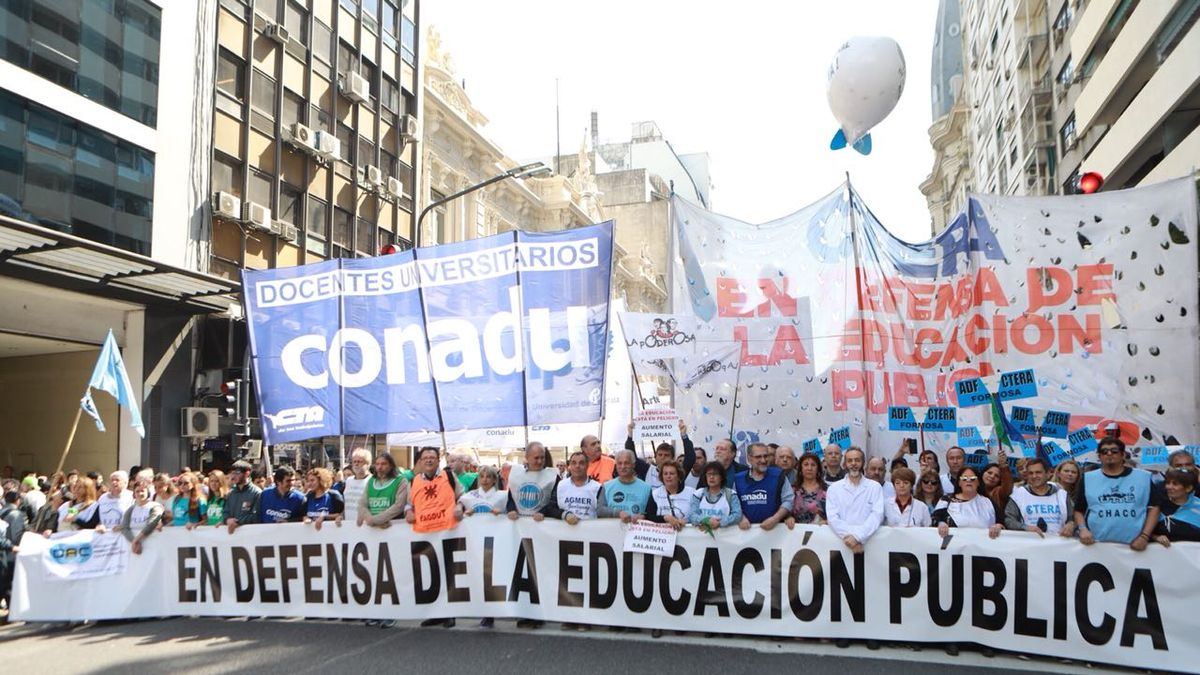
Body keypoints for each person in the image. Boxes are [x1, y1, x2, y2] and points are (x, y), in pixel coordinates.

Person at [1075, 438, 1164, 549]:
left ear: (1122, 455)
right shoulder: (1088, 478)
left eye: (1114, 451)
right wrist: (1083, 529)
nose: (1109, 453)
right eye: (1104, 451)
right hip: (1097, 545)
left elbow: (1155, 508)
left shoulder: (1143, 477)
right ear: (1099, 457)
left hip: (1135, 545)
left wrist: (1145, 536)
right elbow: (1079, 510)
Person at [825, 447, 885, 554]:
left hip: (869, 545)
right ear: (845, 464)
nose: (853, 463)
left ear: (863, 463)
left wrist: (858, 537)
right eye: (850, 460)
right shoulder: (834, 489)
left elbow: (877, 516)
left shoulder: (875, 487)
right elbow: (832, 518)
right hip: (842, 543)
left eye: (857, 460)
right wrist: (851, 538)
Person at [1004, 458, 1074, 537]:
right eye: (1030, 473)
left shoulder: (1062, 495)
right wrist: (1025, 527)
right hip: (1030, 543)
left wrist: (1071, 524)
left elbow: (1072, 518)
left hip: (1058, 543)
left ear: (1048, 474)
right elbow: (1009, 520)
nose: (1034, 476)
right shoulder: (1018, 495)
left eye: (1038, 472)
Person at [623, 419, 697, 488]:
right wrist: (630, 435)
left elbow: (690, 458)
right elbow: (630, 456)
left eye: (666, 455)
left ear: (673, 458)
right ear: (655, 457)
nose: (663, 457)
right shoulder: (647, 470)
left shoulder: (679, 471)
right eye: (660, 455)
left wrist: (684, 435)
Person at [735, 442, 792, 530]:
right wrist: (740, 517)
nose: (763, 460)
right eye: (758, 457)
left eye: (766, 456)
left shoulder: (779, 476)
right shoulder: (738, 479)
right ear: (749, 458)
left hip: (775, 532)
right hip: (745, 535)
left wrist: (775, 519)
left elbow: (788, 500)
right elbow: (732, 503)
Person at [932, 466, 1002, 538]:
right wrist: (941, 523)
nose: (968, 481)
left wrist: (998, 526)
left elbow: (1002, 523)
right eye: (964, 478)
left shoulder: (989, 503)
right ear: (959, 482)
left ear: (978, 482)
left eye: (972, 479)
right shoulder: (946, 500)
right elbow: (935, 519)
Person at [507, 442, 562, 522]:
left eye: (542, 458)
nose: (540, 461)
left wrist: (543, 512)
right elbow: (511, 497)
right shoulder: (516, 474)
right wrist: (511, 509)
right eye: (536, 458)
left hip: (542, 523)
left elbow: (554, 501)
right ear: (527, 457)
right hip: (519, 523)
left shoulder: (553, 476)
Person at [598, 450, 657, 522]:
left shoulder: (646, 488)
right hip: (612, 531)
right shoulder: (606, 486)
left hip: (637, 531)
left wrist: (644, 516)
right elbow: (599, 510)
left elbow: (652, 513)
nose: (623, 467)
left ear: (633, 465)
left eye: (626, 463)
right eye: (619, 463)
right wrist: (618, 513)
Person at [358, 452, 409, 528]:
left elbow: (399, 506)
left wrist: (376, 520)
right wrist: (369, 518)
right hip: (372, 528)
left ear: (391, 466)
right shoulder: (371, 481)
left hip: (394, 526)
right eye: (377, 464)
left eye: (383, 464)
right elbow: (362, 504)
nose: (379, 467)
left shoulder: (401, 481)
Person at [687, 463, 742, 530]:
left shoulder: (730, 494)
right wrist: (706, 520)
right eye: (709, 474)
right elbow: (692, 515)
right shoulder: (698, 494)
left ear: (721, 477)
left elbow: (737, 515)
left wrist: (720, 523)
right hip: (702, 538)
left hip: (725, 537)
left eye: (715, 474)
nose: (711, 477)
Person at [1153, 469, 1200, 543]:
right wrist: (1156, 537)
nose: (1169, 487)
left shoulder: (1198, 507)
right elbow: (1144, 532)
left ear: (1188, 488)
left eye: (1175, 484)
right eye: (1168, 483)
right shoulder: (1158, 507)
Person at [120, 481, 165, 555]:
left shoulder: (155, 506)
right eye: (137, 491)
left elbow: (151, 524)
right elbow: (124, 527)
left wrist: (136, 540)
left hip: (152, 545)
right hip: (134, 547)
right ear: (134, 493)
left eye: (142, 491)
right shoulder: (131, 509)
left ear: (148, 493)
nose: (140, 493)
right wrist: (134, 541)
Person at [0, 490, 26, 615]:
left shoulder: (2, 512)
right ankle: (14, 611)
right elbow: (17, 535)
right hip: (10, 553)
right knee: (8, 583)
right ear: (18, 500)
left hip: (4, 552)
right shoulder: (17, 514)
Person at [556, 451, 602, 524]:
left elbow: (602, 513)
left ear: (587, 465)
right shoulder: (560, 485)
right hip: (564, 532)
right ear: (569, 466)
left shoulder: (598, 487)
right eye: (574, 463)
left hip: (589, 532)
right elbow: (552, 508)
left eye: (581, 463)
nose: (577, 466)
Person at [651, 462, 694, 531]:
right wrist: (665, 518)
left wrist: (687, 521)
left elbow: (697, 513)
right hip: (663, 536)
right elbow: (649, 516)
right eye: (665, 474)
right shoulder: (655, 494)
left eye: (672, 473)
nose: (668, 476)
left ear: (678, 476)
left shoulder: (691, 493)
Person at [788, 452, 827, 526]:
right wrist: (789, 518)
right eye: (806, 465)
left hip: (822, 534)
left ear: (818, 469)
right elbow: (786, 511)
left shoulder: (827, 490)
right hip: (797, 534)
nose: (809, 468)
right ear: (800, 469)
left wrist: (828, 522)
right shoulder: (792, 490)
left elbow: (836, 515)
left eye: (813, 465)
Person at [224, 460, 262, 534]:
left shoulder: (257, 493)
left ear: (247, 473)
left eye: (237, 472)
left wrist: (237, 521)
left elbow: (256, 516)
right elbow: (226, 511)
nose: (233, 476)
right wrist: (227, 520)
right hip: (232, 535)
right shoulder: (231, 493)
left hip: (249, 534)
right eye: (232, 472)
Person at [340, 448, 371, 526]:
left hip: (366, 525)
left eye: (360, 462)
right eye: (354, 461)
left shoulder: (372, 481)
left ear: (367, 464)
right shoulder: (348, 481)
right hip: (349, 525)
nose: (356, 464)